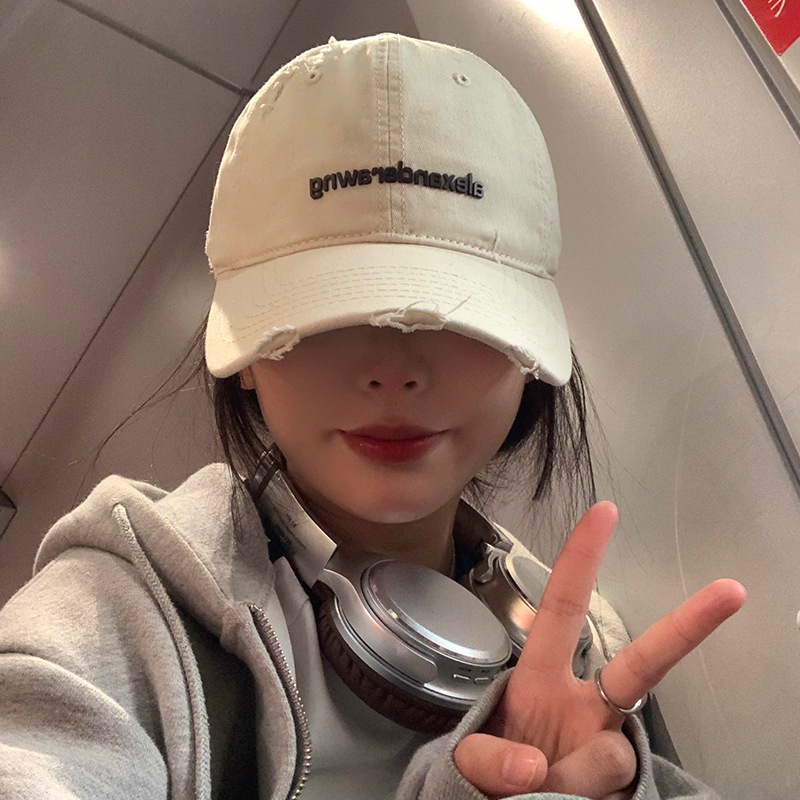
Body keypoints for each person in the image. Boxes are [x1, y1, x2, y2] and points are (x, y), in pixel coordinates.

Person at [0, 32, 745, 800]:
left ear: (529, 351)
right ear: (246, 354)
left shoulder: (591, 660)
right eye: (326, 314)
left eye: (453, 314)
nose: (393, 370)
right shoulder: (117, 612)